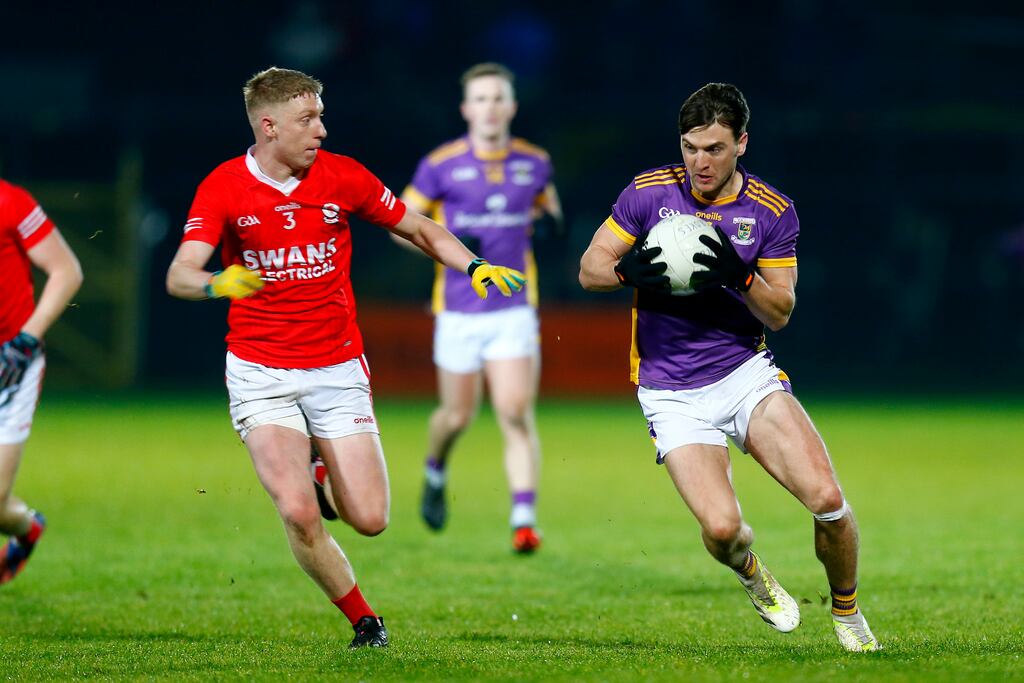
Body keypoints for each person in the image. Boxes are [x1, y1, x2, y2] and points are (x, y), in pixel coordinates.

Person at [165, 67, 525, 649]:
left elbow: (418, 227)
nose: (321, 130)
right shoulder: (225, 186)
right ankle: (365, 620)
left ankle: (318, 465)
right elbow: (180, 274)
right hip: (261, 373)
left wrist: (474, 266)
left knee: (371, 519)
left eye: (321, 116)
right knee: (300, 514)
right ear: (268, 125)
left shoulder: (341, 176)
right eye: (307, 119)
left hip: (336, 369)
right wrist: (215, 284)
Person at [578, 83, 880, 652]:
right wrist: (628, 274)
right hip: (669, 392)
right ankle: (751, 573)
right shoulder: (648, 194)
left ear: (742, 143)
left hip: (744, 376)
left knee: (829, 502)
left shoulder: (770, 211)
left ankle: (848, 613)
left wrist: (738, 276)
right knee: (721, 531)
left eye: (714, 148)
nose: (700, 161)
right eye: (691, 147)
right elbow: (590, 268)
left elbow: (782, 311)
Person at [392, 62, 561, 554]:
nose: (490, 108)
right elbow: (400, 225)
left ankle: (524, 520)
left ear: (512, 105)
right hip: (459, 310)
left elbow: (550, 213)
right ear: (466, 108)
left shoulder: (535, 162)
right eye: (480, 99)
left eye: (498, 98)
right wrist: (446, 245)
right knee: (456, 416)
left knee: (513, 410)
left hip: (513, 306)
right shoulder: (441, 164)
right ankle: (435, 471)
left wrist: (551, 227)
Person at [0, 179, 84, 584]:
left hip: (11, 365)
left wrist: (26, 340)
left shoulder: (10, 202)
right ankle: (27, 526)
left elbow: (67, 271)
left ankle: (27, 528)